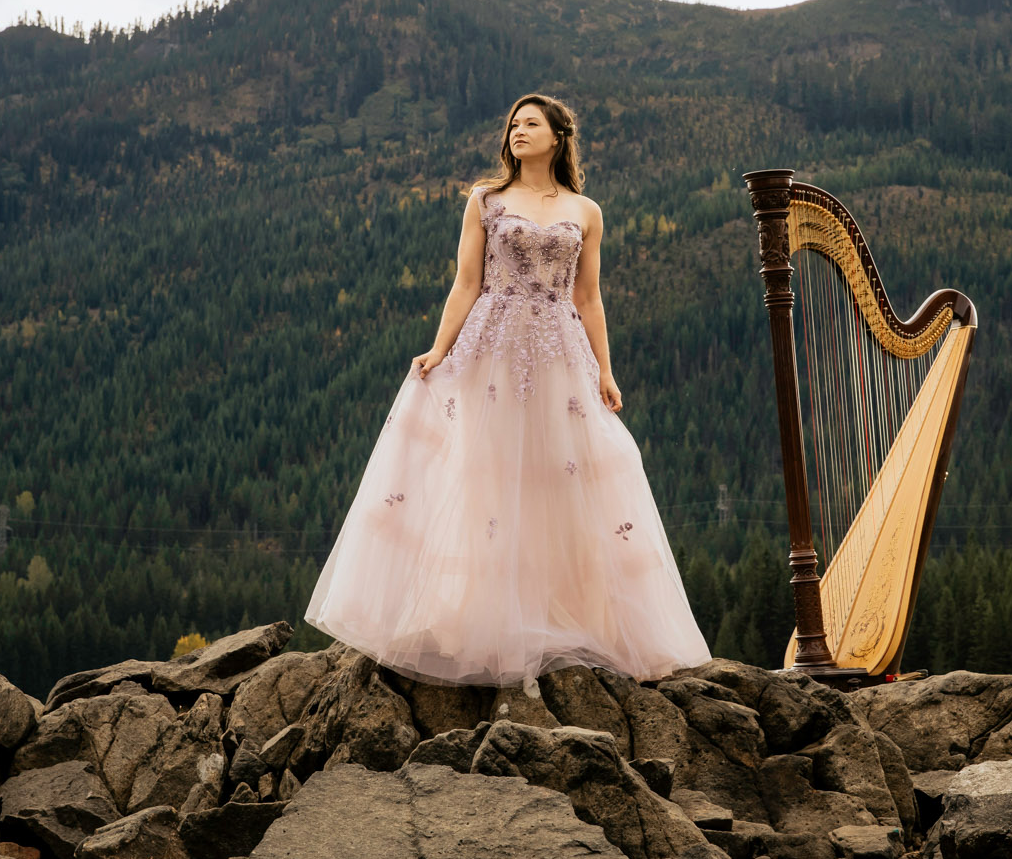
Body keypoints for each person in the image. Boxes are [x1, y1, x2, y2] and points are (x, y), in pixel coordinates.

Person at [303, 93, 713, 689]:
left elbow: (589, 297)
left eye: (531, 124)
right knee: (489, 479)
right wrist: (440, 349)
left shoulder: (586, 210)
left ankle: (565, 617)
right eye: (513, 125)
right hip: (490, 351)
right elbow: (466, 282)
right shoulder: (486, 201)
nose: (519, 132)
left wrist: (606, 369)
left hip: (561, 356)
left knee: (566, 476)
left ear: (557, 135)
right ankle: (481, 621)